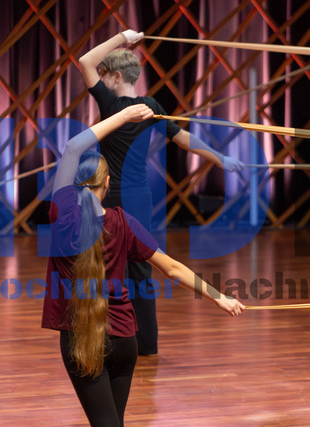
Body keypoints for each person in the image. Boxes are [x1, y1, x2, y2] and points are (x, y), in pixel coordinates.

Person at [41, 104, 245, 427]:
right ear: (108, 183)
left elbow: (73, 147)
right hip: (124, 340)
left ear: (72, 186)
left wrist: (123, 116)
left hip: (83, 339)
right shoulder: (124, 222)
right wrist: (218, 296)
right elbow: (172, 269)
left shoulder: (62, 215)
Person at [78, 29, 244, 355]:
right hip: (141, 197)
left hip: (111, 195)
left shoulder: (111, 104)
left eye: (105, 75)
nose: (101, 79)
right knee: (141, 266)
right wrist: (220, 158)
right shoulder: (150, 106)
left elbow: (85, 61)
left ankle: (112, 338)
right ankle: (146, 343)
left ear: (114, 77)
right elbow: (184, 139)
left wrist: (122, 36)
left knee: (107, 264)